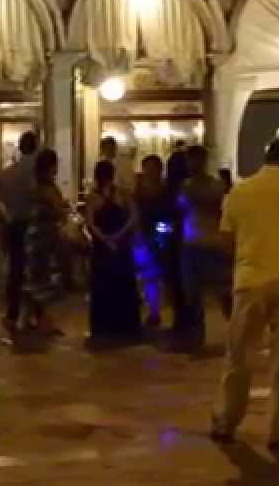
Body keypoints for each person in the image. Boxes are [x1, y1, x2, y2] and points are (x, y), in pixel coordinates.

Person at [211, 138, 279, 451]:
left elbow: (225, 238)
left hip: (251, 280)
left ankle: (227, 420)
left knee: (239, 355)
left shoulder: (240, 191)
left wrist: (247, 257)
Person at [177, 146, 231, 354]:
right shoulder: (187, 185)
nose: (192, 164)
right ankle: (197, 338)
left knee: (223, 292)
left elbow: (221, 210)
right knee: (192, 294)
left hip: (211, 242)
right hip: (192, 242)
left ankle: (237, 333)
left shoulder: (214, 186)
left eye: (195, 160)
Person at [86, 160, 141, 342]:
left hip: (112, 243)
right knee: (113, 282)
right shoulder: (105, 196)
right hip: (112, 244)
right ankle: (119, 324)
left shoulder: (118, 194)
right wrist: (112, 238)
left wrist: (110, 238)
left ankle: (111, 324)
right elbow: (91, 222)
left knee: (113, 282)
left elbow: (133, 216)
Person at [20, 149, 68, 335]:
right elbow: (59, 211)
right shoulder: (48, 189)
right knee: (45, 278)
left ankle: (27, 318)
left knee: (34, 278)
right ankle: (44, 321)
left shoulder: (34, 186)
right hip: (45, 236)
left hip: (33, 235)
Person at [134, 155, 183, 330]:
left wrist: (163, 235)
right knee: (149, 276)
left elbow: (172, 214)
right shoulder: (139, 190)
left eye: (153, 168)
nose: (149, 172)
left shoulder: (167, 190)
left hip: (163, 236)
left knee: (167, 276)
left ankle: (172, 313)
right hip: (145, 235)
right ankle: (154, 311)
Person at [0, 131, 40, 334]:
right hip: (34, 224)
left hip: (14, 224)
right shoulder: (37, 171)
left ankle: (12, 313)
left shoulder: (7, 173)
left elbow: (1, 198)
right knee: (36, 271)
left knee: (16, 270)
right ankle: (36, 314)